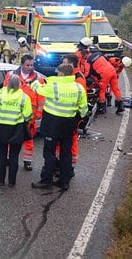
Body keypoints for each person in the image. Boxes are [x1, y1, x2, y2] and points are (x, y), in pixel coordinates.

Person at [31, 63, 87, 191]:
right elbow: (83, 109)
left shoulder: (53, 86)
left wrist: (36, 80)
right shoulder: (79, 88)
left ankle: (46, 180)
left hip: (52, 124)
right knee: (66, 153)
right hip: (68, 124)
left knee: (49, 153)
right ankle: (64, 181)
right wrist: (78, 118)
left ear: (61, 73)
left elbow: (37, 89)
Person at [0, 74, 33, 187]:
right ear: (19, 84)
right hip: (16, 129)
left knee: (1, 156)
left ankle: (0, 181)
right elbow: (28, 115)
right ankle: (12, 182)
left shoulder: (0, 95)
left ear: (8, 83)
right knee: (14, 156)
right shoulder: (24, 97)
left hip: (1, 128)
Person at [4, 54, 45, 171]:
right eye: (27, 65)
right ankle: (8, 158)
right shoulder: (11, 76)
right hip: (13, 112)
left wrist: (38, 114)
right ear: (22, 64)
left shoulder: (38, 78)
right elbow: (5, 92)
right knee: (10, 136)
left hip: (29, 114)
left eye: (32, 65)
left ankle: (28, 161)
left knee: (29, 138)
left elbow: (41, 97)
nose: (30, 67)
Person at [58, 54, 88, 174]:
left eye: (65, 63)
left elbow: (79, 99)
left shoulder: (77, 78)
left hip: (72, 116)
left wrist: (77, 118)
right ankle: (62, 164)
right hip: (67, 115)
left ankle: (70, 166)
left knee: (71, 142)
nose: (63, 65)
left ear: (71, 64)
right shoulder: (72, 75)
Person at [86, 50, 124, 114]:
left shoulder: (89, 60)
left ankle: (102, 108)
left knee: (102, 90)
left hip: (105, 74)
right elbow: (107, 60)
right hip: (112, 71)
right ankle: (120, 106)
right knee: (115, 89)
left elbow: (89, 72)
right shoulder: (99, 54)